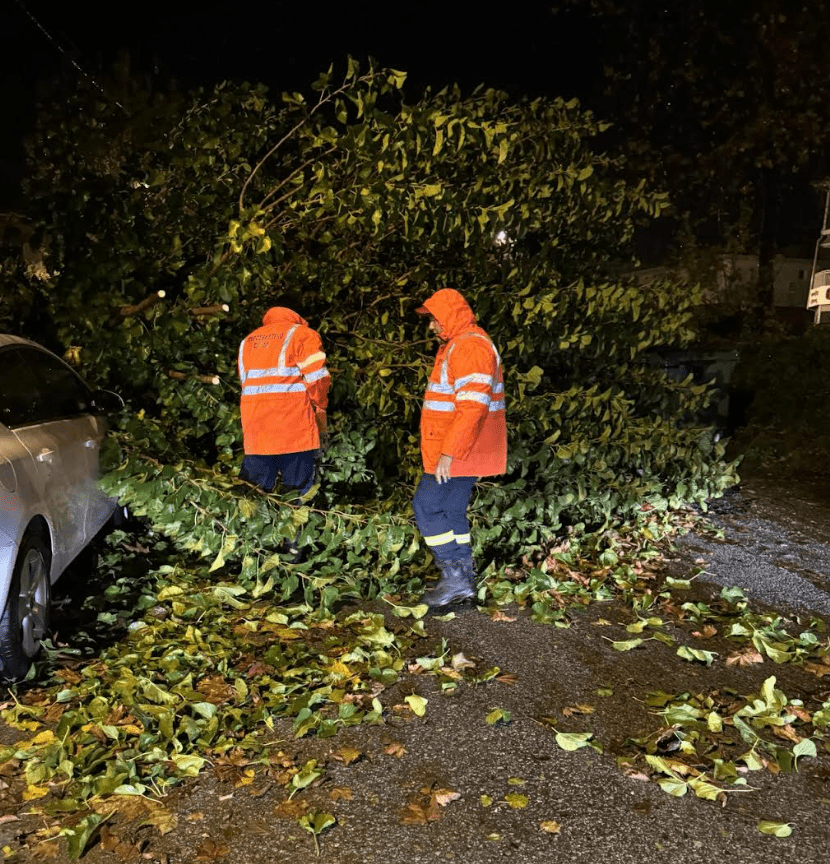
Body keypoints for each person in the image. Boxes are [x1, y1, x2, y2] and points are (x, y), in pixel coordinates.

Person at [413, 288, 507, 608]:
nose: (431, 327)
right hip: (463, 451)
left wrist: (449, 452)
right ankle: (463, 580)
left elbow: (473, 406)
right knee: (452, 510)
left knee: (426, 506)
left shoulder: (469, 346)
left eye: (435, 320)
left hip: (456, 452)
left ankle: (454, 576)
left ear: (450, 316)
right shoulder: (463, 344)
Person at [237, 305, 330, 558]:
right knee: (296, 492)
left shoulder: (247, 342)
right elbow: (318, 379)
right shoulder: (302, 334)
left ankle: (252, 549)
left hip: (257, 433)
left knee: (254, 492)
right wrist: (320, 409)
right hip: (294, 429)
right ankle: (292, 550)